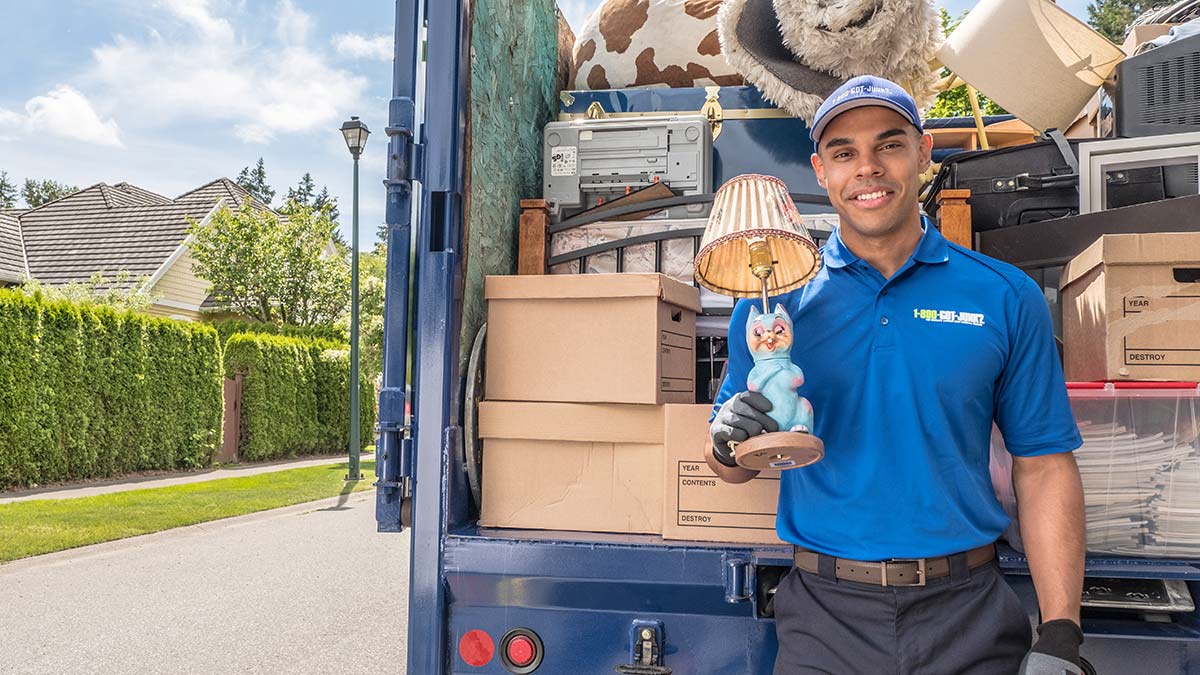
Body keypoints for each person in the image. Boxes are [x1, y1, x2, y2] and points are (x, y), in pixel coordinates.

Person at [706, 75, 1087, 675]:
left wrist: (1062, 631)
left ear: (923, 153)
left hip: (969, 615)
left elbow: (1043, 465)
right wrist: (728, 439)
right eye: (843, 153)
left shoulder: (1005, 296)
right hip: (824, 618)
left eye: (888, 145)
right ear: (821, 171)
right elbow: (730, 467)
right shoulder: (773, 309)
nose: (868, 168)